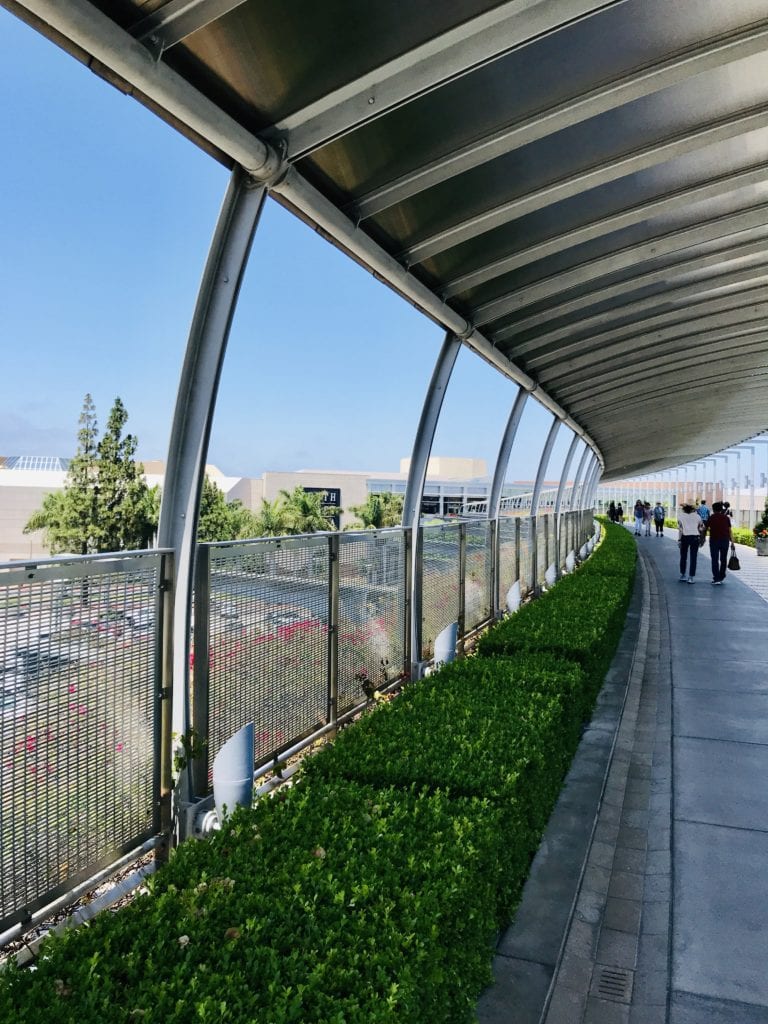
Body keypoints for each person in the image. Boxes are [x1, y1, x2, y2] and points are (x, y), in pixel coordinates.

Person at [703, 500, 733, 585]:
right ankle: (721, 576)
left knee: (714, 559)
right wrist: (733, 542)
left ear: (713, 509)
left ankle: (716, 578)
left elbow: (705, 528)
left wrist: (702, 538)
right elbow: (730, 530)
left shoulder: (711, 517)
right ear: (721, 509)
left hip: (714, 541)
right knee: (723, 559)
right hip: (725, 541)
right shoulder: (726, 518)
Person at [678, 502, 703, 583]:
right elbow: (700, 528)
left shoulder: (681, 516)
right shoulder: (698, 517)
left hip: (684, 537)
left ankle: (683, 575)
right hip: (695, 538)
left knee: (683, 557)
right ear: (693, 509)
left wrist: (679, 540)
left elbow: (680, 529)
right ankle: (691, 577)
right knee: (693, 558)